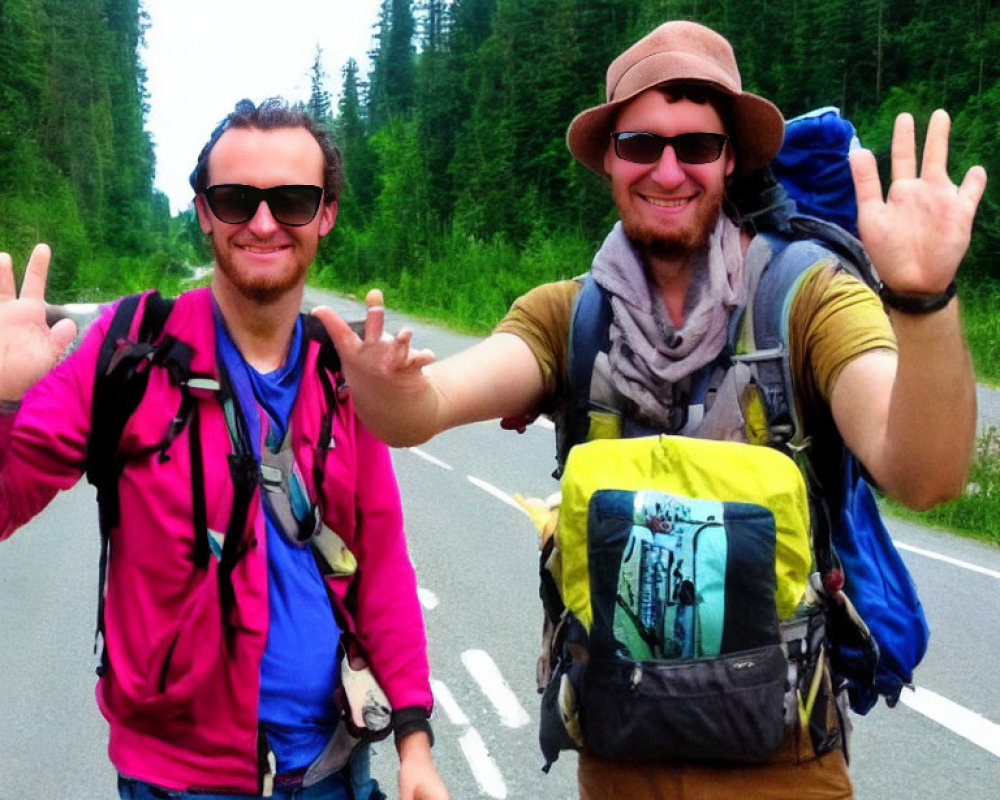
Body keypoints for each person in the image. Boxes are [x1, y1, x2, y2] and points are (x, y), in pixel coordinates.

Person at [313, 20, 987, 800]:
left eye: (696, 146)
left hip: (786, 771)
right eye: (641, 144)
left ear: (731, 158)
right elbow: (426, 409)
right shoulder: (570, 317)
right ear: (609, 158)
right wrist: (391, 392)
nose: (668, 170)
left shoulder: (806, 300)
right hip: (618, 763)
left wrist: (924, 297)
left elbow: (928, 474)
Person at [0, 98, 449, 800]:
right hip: (173, 783)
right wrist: (1, 399)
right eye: (236, 200)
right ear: (204, 211)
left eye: (292, 200)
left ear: (325, 213)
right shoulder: (129, 349)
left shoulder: (344, 371)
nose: (263, 223)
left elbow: (381, 562)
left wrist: (415, 743)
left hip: (334, 771)